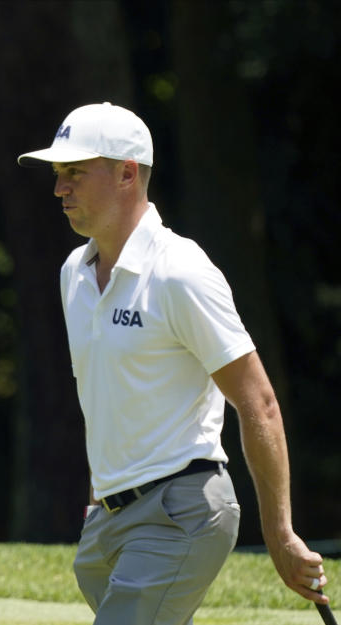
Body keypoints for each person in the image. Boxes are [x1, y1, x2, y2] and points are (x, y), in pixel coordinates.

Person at [17, 102, 329, 624]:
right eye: (57, 175)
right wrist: (99, 497)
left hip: (181, 510)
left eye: (74, 173)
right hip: (109, 519)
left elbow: (259, 403)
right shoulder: (75, 272)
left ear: (127, 173)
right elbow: (108, 396)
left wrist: (280, 535)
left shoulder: (179, 272)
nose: (59, 189)